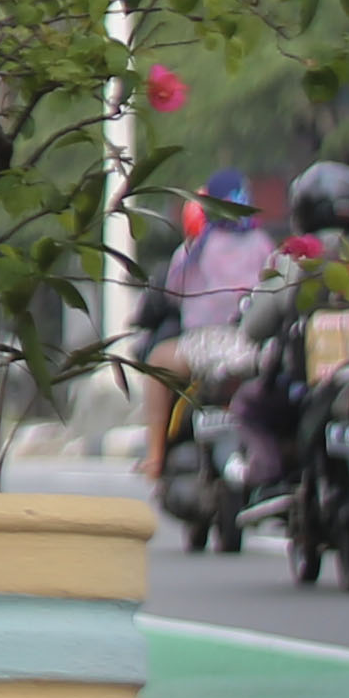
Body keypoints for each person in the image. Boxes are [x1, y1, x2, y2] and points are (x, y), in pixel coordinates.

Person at [232, 157, 349, 489]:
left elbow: (254, 327)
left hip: (306, 389)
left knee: (248, 406)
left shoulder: (294, 259)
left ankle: (267, 471)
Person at [141, 174, 268, 476]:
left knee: (156, 364)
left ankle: (154, 457)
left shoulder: (198, 246)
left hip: (204, 346)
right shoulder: (262, 243)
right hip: (249, 347)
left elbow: (172, 290)